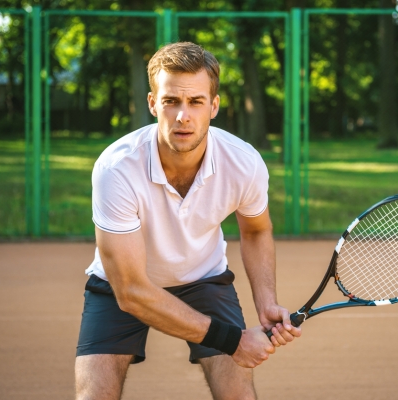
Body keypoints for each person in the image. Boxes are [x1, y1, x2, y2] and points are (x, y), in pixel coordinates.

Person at [74, 41, 301, 400]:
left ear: (213, 106)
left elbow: (256, 230)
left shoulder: (243, 162)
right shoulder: (116, 168)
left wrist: (267, 301)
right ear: (153, 104)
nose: (183, 116)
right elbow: (132, 292)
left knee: (237, 394)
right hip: (123, 286)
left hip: (204, 279)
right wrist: (233, 340)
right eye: (171, 101)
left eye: (196, 102)